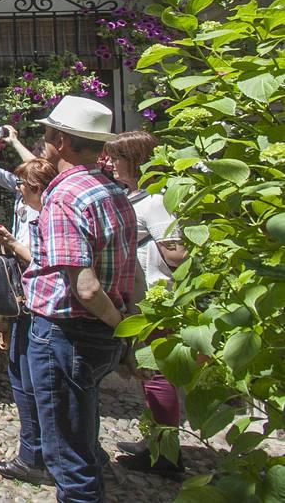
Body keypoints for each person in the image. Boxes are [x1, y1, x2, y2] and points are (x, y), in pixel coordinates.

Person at [22, 96, 139, 502]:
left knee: (66, 455)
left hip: (67, 334)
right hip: (104, 332)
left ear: (61, 141)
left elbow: (85, 287)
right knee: (83, 433)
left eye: (48, 133)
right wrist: (127, 328)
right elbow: (132, 270)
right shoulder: (114, 191)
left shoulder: (65, 195)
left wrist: (115, 323)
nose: (44, 139)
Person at [105, 130, 186, 474]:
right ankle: (154, 443)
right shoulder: (134, 196)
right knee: (146, 371)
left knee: (157, 374)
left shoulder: (155, 201)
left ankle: (167, 455)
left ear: (135, 160)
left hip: (155, 299)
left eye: (116, 158)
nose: (109, 163)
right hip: (136, 297)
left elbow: (178, 254)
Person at [0, 157, 59, 486]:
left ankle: (44, 457)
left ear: (38, 189)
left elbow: (44, 261)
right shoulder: (33, 212)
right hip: (24, 304)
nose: (18, 191)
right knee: (23, 379)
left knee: (38, 385)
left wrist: (10, 243)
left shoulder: (52, 217)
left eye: (23, 186)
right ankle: (34, 453)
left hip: (42, 307)